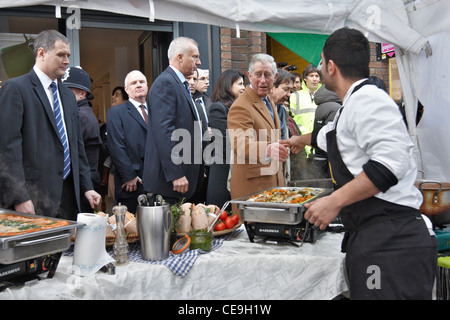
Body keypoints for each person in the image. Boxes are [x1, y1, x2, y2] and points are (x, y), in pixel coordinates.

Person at [282, 27, 437, 300]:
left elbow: (389, 166)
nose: (319, 68)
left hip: (392, 244)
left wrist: (334, 201)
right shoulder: (353, 103)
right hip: (374, 239)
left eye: (320, 61)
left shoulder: (369, 100)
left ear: (331, 66)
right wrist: (301, 140)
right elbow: (332, 136)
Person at [0, 30, 100, 220]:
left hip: (69, 197)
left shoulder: (68, 96)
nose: (67, 61)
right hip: (33, 199)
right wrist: (18, 196)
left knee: (64, 250)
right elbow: (7, 149)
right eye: (61, 55)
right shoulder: (16, 89)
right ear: (41, 53)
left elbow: (77, 147)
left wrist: (86, 187)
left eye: (68, 55)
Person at [142, 37, 204, 205]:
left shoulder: (178, 84)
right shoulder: (165, 84)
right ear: (180, 57)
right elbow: (164, 132)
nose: (198, 62)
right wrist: (175, 173)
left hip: (183, 182)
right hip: (169, 184)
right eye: (195, 57)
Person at [227, 53, 289, 216]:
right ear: (249, 76)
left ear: (274, 77)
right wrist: (268, 149)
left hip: (271, 188)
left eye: (267, 75)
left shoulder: (268, 101)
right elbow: (241, 144)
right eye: (258, 74)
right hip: (252, 191)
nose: (262, 80)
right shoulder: (241, 106)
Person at [106, 70, 149, 214]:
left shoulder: (156, 111)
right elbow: (116, 146)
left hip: (156, 182)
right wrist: (129, 175)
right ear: (126, 89)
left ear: (147, 86)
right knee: (132, 231)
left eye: (141, 82)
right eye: (133, 83)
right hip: (132, 183)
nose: (138, 85)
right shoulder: (116, 113)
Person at [62, 66, 103, 212]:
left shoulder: (81, 116)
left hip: (83, 183)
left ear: (82, 94)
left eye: (67, 90)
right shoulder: (79, 113)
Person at [205, 69, 245, 209]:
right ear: (228, 85)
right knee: (221, 216)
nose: (243, 87)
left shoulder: (240, 108)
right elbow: (225, 141)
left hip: (237, 169)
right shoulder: (218, 108)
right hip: (223, 171)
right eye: (239, 84)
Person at [289, 64, 322, 180]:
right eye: (311, 76)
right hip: (301, 146)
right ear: (305, 79)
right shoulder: (295, 96)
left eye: (317, 76)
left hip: (319, 147)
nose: (314, 79)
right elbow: (291, 121)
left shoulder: (324, 96)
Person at [268, 69, 295, 140]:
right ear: (272, 87)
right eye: (286, 89)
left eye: (290, 90)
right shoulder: (258, 108)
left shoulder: (281, 108)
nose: (289, 94)